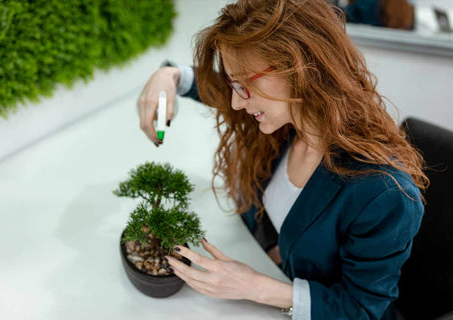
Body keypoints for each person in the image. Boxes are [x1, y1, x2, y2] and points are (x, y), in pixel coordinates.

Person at [136, 0, 429, 319]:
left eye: (245, 83)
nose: (235, 102)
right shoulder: (287, 119)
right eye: (233, 84)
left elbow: (361, 309)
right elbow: (212, 88)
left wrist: (255, 287)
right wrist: (170, 76)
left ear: (299, 67)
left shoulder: (383, 193)